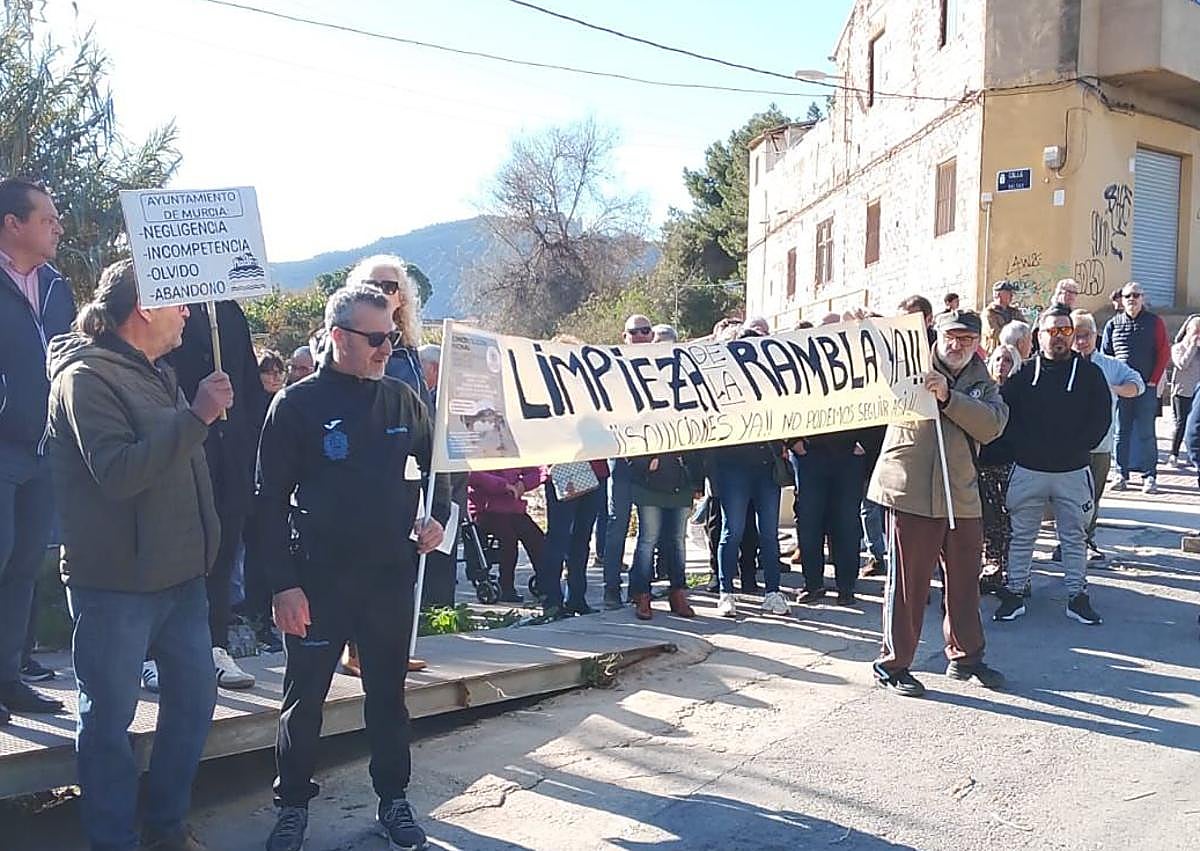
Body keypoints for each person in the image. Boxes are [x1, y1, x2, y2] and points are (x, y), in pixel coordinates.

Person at [257, 285, 448, 851]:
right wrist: (283, 585)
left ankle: (394, 799)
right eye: (376, 338)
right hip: (318, 578)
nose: (388, 346)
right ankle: (292, 804)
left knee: (388, 697)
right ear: (338, 338)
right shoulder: (294, 405)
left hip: (389, 575)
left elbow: (444, 467)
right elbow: (266, 504)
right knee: (305, 698)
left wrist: (437, 521)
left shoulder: (401, 399)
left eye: (392, 334)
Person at [48, 259, 229, 851]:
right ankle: (113, 841)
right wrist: (196, 416)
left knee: (195, 703)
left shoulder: (159, 372)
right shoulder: (85, 379)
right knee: (107, 722)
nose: (188, 314)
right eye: (180, 303)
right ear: (145, 309)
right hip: (116, 583)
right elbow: (119, 473)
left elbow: (175, 459)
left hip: (181, 577)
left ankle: (167, 829)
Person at [868, 309, 1008, 697]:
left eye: (967, 339)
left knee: (965, 580)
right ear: (937, 335)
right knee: (908, 585)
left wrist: (949, 398)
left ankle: (966, 657)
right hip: (910, 491)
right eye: (951, 336)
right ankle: (893, 664)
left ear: (978, 342)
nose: (957, 344)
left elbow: (992, 426)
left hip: (959, 494)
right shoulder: (907, 362)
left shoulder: (984, 382)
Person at [0, 177, 74, 721]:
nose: (57, 227)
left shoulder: (57, 287)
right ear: (13, 223)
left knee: (24, 566)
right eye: (47, 219)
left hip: (45, 448)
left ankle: (9, 679)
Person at [167, 300, 266, 690]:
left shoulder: (227, 310)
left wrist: (251, 448)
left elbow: (249, 386)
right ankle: (159, 654)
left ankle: (217, 646)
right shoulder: (162, 304)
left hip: (231, 456)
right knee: (177, 556)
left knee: (223, 555)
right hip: (182, 450)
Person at [994, 306, 1112, 626]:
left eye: (1065, 331)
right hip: (1029, 469)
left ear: (1072, 335)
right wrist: (1023, 447)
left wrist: (1077, 447)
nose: (1059, 337)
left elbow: (1101, 417)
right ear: (1038, 335)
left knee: (1074, 536)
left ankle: (1077, 595)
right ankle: (1015, 592)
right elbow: (1004, 414)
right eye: (1052, 331)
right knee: (1022, 535)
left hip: (1072, 470)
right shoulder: (1023, 374)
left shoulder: (1089, 374)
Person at [1051, 311, 1143, 564]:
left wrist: (1114, 389)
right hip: (1066, 444)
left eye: (1086, 336)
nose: (1081, 342)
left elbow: (1138, 384)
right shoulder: (1060, 363)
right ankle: (1066, 542)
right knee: (1066, 497)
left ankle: (1086, 540)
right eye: (1076, 336)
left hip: (1099, 446)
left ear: (1095, 335)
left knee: (1092, 498)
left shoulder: (1109, 365)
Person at [600, 314, 656, 609]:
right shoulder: (611, 369)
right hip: (621, 459)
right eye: (636, 332)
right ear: (625, 336)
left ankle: (640, 588)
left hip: (651, 461)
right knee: (616, 524)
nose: (642, 336)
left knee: (649, 530)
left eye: (646, 331)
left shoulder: (661, 367)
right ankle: (611, 588)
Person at [1102, 282, 1169, 494]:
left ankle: (1150, 476)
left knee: (1146, 433)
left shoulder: (1155, 322)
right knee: (1120, 432)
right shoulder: (1113, 324)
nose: (1132, 299)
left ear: (1143, 298)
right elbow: (1105, 355)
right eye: (1128, 295)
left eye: (1136, 295)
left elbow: (1164, 352)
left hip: (1146, 389)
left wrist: (1153, 381)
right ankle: (1120, 473)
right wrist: (1111, 384)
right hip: (1121, 389)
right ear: (1121, 299)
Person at [792, 428, 869, 606]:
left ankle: (846, 587)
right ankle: (812, 584)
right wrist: (793, 442)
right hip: (808, 454)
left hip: (849, 454)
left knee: (846, 522)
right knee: (809, 522)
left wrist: (866, 443)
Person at [628, 450, 702, 620]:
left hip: (683, 481)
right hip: (648, 482)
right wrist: (645, 462)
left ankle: (678, 592)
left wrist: (698, 480)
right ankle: (642, 594)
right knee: (648, 539)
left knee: (678, 540)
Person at [978, 344, 1021, 596]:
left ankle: (1013, 571)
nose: (1001, 365)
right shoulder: (984, 390)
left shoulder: (1018, 391)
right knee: (988, 520)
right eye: (997, 360)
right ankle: (992, 567)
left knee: (1010, 519)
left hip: (1010, 462)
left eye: (1006, 360)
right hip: (983, 462)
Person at [467, 467, 546, 603]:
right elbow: (473, 475)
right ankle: (506, 586)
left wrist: (524, 483)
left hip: (513, 508)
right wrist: (503, 486)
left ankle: (545, 580)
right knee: (508, 539)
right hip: (485, 510)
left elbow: (538, 471)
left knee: (536, 537)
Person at [1168, 316, 1200, 468]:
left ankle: (1191, 454)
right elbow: (1182, 364)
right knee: (1181, 423)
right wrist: (1192, 346)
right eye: (1196, 330)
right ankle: (1174, 454)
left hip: (1197, 393)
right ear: (1188, 330)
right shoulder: (1178, 348)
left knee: (1195, 425)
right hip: (1182, 391)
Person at [984, 280, 1022, 351]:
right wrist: (1014, 334)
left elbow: (1023, 328)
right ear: (998, 295)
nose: (1011, 296)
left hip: (1014, 351)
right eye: (1008, 293)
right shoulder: (989, 312)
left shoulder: (1014, 312)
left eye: (1012, 293)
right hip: (996, 351)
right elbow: (994, 333)